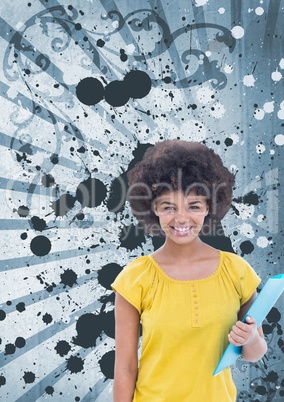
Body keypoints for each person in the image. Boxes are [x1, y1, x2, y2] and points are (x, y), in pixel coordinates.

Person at [111, 139, 267, 402]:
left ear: (209, 207)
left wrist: (250, 339)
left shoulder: (236, 270)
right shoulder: (135, 278)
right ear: (154, 209)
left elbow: (254, 353)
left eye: (193, 206)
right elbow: (125, 369)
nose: (181, 218)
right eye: (169, 207)